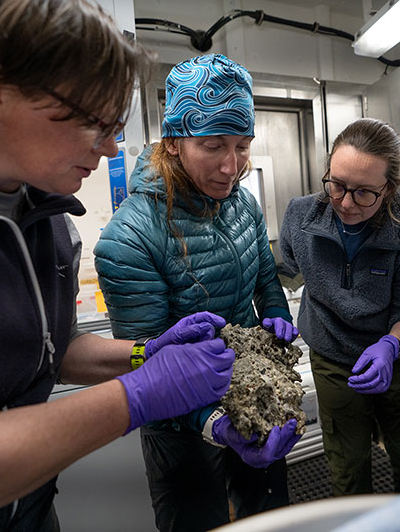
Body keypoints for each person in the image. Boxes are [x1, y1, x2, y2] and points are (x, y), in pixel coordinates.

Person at [0, 1, 239, 531]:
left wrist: (142, 354)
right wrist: (133, 397)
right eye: (95, 123)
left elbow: (51, 348)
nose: (113, 150)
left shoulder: (43, 209)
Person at [93, 53, 301, 532]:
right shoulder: (131, 238)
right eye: (214, 146)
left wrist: (273, 310)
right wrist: (216, 423)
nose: (232, 167)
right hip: (178, 426)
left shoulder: (241, 203)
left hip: (252, 391)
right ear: (173, 144)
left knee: (268, 517)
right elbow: (148, 360)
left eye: (243, 146)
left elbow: (265, 275)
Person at [279, 118, 400, 496]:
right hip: (333, 357)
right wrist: (274, 308)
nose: (346, 203)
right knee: (347, 465)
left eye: (365, 193)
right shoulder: (301, 216)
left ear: (390, 188)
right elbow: (282, 272)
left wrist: (390, 345)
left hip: (397, 358)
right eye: (337, 185)